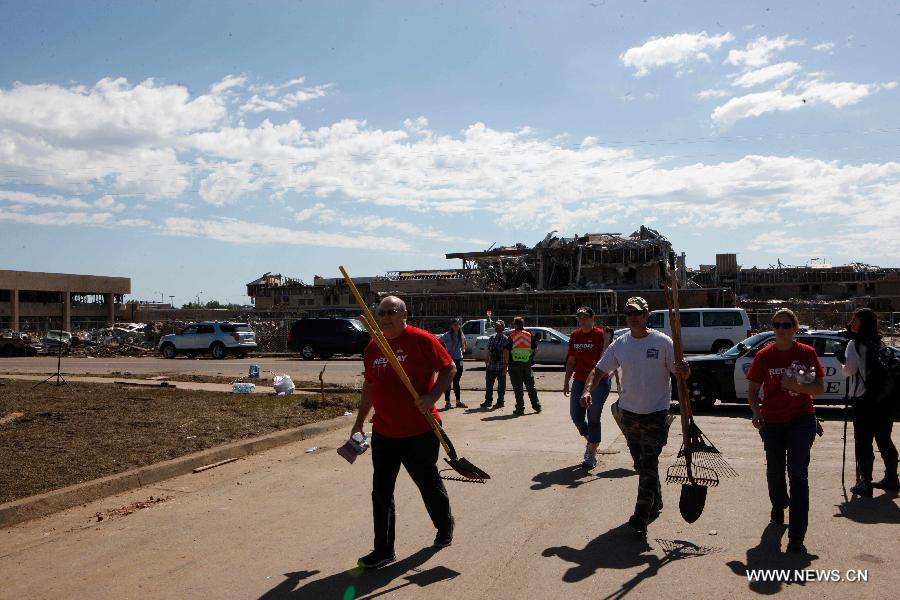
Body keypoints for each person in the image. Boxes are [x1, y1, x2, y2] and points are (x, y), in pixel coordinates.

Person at [352, 296, 457, 569]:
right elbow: (370, 386)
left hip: (420, 430)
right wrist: (359, 420)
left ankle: (444, 527)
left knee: (427, 483)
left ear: (404, 314)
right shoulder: (374, 347)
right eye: (381, 312)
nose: (385, 317)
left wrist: (432, 396)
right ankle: (384, 550)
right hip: (385, 431)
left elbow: (449, 368)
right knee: (381, 492)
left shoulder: (421, 339)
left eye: (391, 311)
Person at [583, 297, 690, 534]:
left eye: (638, 313)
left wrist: (685, 370)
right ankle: (657, 502)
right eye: (629, 312)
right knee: (643, 466)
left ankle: (640, 516)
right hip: (629, 415)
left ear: (647, 314)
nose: (633, 317)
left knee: (649, 462)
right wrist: (587, 390)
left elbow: (680, 371)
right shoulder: (620, 344)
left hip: (656, 414)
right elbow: (599, 370)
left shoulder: (663, 342)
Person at [746, 308, 825, 555]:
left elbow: (820, 388)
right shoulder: (764, 356)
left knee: (798, 475)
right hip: (773, 422)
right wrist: (756, 413)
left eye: (786, 324)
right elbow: (752, 390)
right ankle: (779, 505)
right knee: (775, 471)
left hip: (802, 420)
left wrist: (796, 386)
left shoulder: (807, 353)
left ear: (795, 328)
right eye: (777, 324)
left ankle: (797, 537)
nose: (781, 329)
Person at [842, 308, 898, 496]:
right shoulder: (880, 343)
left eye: (855, 319)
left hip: (864, 399)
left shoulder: (855, 344)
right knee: (884, 438)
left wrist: (842, 361)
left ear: (862, 323)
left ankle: (865, 482)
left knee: (864, 441)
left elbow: (849, 371)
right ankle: (892, 478)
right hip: (884, 400)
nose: (852, 322)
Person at [563, 307, 610, 468]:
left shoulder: (600, 335)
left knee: (593, 417)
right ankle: (592, 440)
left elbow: (606, 360)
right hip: (580, 380)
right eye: (580, 317)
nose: (583, 320)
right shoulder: (575, 336)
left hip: (599, 381)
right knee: (576, 415)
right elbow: (571, 361)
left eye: (585, 317)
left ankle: (591, 454)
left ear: (592, 318)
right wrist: (566, 381)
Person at [507, 316, 541, 415]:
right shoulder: (529, 335)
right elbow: (535, 349)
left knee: (518, 388)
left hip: (514, 364)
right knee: (531, 387)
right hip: (527, 364)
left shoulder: (512, 336)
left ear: (515, 325)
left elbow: (506, 350)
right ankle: (537, 406)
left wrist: (506, 362)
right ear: (523, 324)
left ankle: (520, 409)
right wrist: (530, 358)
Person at [479, 319, 508, 410]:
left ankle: (500, 402)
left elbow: (507, 353)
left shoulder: (505, 339)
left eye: (499, 326)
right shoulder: (491, 338)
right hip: (491, 365)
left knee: (501, 385)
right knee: (489, 385)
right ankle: (488, 401)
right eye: (496, 325)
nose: (497, 327)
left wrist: (506, 367)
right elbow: (488, 351)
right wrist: (486, 360)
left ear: (503, 327)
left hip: (500, 365)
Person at [441, 318, 468, 410]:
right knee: (448, 381)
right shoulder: (447, 335)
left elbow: (464, 345)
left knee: (456, 381)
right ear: (451, 326)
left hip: (459, 360)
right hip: (450, 360)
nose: (457, 326)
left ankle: (458, 401)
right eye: (455, 324)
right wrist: (443, 353)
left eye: (458, 324)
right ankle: (447, 402)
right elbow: (437, 341)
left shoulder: (461, 334)